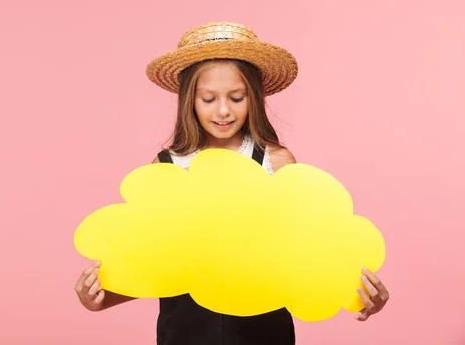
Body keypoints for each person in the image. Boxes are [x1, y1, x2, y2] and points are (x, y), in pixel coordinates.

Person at [74, 22, 390, 344]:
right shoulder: (166, 169)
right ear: (189, 100)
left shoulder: (275, 162)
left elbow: (305, 253)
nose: (223, 110)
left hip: (262, 333)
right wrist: (100, 298)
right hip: (185, 333)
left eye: (236, 97)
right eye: (208, 99)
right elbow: (154, 268)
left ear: (253, 97)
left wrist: (358, 292)